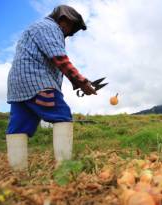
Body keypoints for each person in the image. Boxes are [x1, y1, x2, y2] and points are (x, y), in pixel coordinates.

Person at [6, 5, 97, 171]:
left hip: (18, 86)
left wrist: (74, 82)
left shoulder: (36, 28)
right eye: (71, 28)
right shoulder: (49, 27)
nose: (68, 34)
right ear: (63, 19)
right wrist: (81, 82)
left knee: (18, 126)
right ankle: (64, 169)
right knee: (62, 116)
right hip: (37, 83)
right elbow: (60, 59)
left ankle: (17, 173)